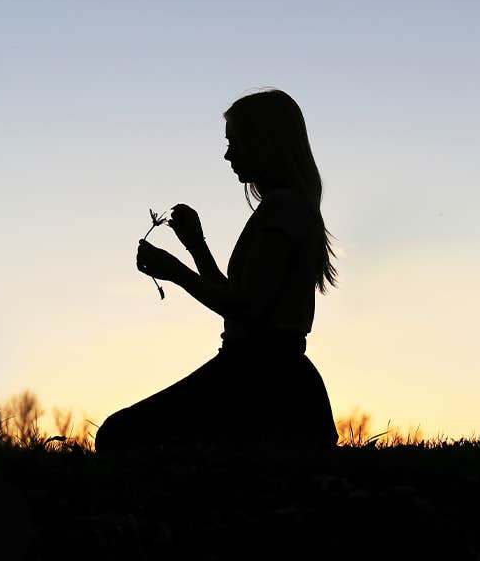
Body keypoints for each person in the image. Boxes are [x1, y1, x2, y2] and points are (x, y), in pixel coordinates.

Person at [95, 88, 340, 453]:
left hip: (258, 381)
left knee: (117, 437)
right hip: (270, 377)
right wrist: (196, 245)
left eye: (234, 142)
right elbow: (244, 299)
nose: (227, 154)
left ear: (265, 143)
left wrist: (175, 270)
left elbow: (247, 310)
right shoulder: (286, 208)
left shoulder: (282, 211)